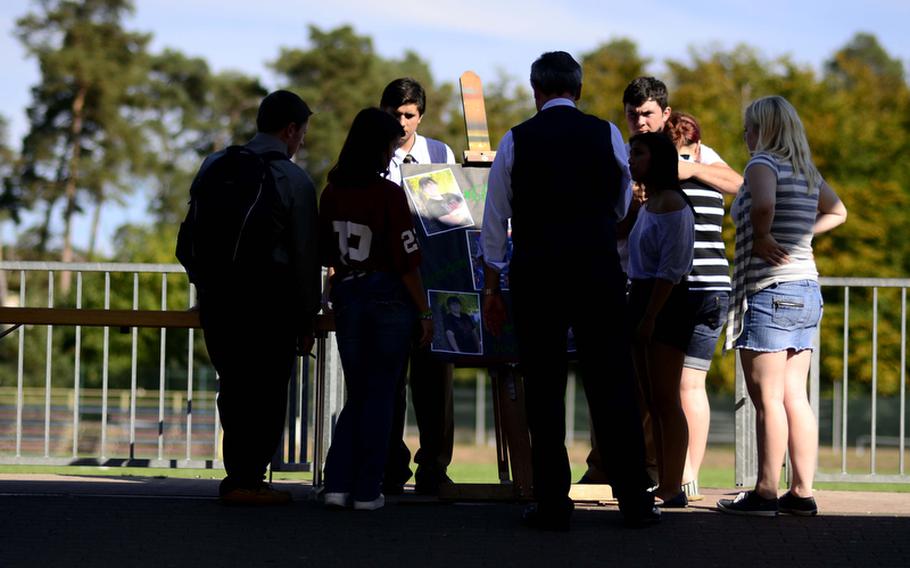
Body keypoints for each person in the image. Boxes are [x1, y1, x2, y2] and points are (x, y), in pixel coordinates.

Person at [482, 51, 659, 530]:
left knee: (544, 387)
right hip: (596, 270)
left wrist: (493, 281)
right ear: (578, 91)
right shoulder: (604, 134)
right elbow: (623, 199)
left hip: (537, 273)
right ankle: (634, 501)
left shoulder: (515, 139)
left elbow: (495, 219)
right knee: (612, 384)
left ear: (535, 91)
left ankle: (553, 502)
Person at [580, 77, 743, 494]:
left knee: (675, 391)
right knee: (640, 389)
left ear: (665, 114)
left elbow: (738, 185)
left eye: (648, 114)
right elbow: (624, 229)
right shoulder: (626, 157)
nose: (640, 122)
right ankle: (631, 469)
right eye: (633, 115)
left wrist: (685, 168)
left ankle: (675, 478)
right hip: (638, 285)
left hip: (678, 291)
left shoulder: (689, 164)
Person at [187, 90, 320, 505]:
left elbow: (191, 232)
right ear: (291, 129)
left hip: (219, 301)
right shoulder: (294, 180)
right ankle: (249, 480)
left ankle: (239, 476)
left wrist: (205, 286)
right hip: (270, 305)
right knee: (266, 392)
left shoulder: (215, 164)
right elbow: (304, 255)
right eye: (302, 133)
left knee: (234, 386)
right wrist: (307, 318)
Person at [718, 96, 846, 516]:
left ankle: (766, 491)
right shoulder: (807, 170)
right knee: (795, 395)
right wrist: (802, 237)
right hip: (807, 288)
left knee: (768, 398)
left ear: (764, 129)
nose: (745, 134)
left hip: (771, 290)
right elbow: (838, 211)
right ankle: (802, 493)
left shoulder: (762, 165)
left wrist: (764, 235)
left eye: (749, 127)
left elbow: (764, 204)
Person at [319, 107, 434, 511]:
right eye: (388, 146)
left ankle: (336, 482)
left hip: (348, 295)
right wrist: (424, 311)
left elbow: (327, 252)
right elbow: (406, 261)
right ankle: (368, 488)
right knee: (382, 394)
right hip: (387, 299)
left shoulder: (331, 193)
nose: (391, 155)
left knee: (359, 393)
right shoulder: (388, 195)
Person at [380, 78, 458, 495]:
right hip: (391, 279)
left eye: (409, 115)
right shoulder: (374, 153)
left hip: (432, 277)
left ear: (420, 116)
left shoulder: (439, 152)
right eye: (396, 115)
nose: (403, 123)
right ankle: (390, 463)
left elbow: (452, 214)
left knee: (434, 382)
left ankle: (434, 466)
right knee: (390, 378)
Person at [665, 110, 735, 496]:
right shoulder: (711, 181)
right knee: (694, 386)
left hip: (682, 289)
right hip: (716, 288)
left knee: (669, 386)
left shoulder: (669, 188)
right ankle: (691, 473)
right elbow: (738, 182)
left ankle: (672, 474)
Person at [626, 131, 696, 508]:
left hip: (664, 303)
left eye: (638, 153)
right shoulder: (649, 203)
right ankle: (662, 481)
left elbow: (671, 269)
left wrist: (650, 315)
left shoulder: (672, 204)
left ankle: (673, 485)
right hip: (641, 298)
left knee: (667, 398)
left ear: (658, 159)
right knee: (652, 399)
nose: (631, 160)